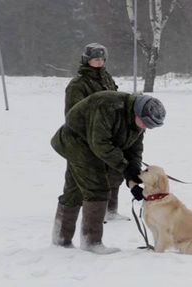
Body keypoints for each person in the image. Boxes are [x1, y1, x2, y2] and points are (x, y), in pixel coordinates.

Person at [50, 91, 166, 254]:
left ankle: (60, 240)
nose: (145, 127)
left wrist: (132, 178)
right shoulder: (107, 105)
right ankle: (91, 242)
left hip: (92, 147)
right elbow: (100, 143)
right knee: (97, 187)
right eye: (145, 123)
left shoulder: (137, 121)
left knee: (73, 190)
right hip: (77, 142)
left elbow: (134, 149)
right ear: (138, 111)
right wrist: (125, 167)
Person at [65, 43, 125, 221]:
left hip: (108, 132)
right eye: (95, 59)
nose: (99, 63)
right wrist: (90, 133)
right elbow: (73, 114)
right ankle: (93, 212)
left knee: (114, 171)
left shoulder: (106, 77)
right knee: (90, 176)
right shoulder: (78, 84)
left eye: (101, 59)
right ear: (87, 60)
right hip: (85, 137)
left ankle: (111, 210)